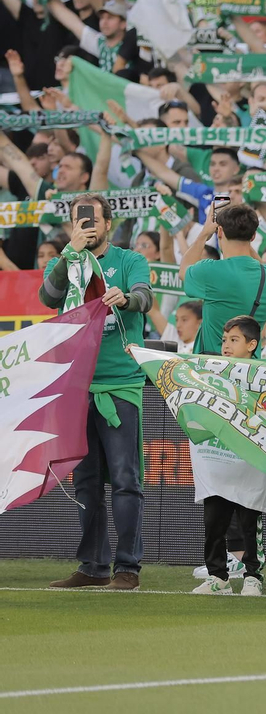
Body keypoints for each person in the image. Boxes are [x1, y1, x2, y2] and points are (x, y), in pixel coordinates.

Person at [42, 195, 154, 591]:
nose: (85, 226)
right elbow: (48, 298)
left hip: (120, 382)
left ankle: (127, 568)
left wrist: (125, 298)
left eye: (91, 220)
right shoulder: (68, 260)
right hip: (76, 384)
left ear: (109, 222)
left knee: (125, 478)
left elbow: (145, 296)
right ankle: (92, 566)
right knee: (85, 481)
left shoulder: (128, 260)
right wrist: (67, 253)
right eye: (77, 220)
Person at [189, 317, 266, 596]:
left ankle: (253, 576)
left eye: (234, 340)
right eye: (224, 340)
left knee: (249, 522)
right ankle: (218, 577)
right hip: (217, 460)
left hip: (249, 463)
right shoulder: (209, 371)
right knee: (214, 522)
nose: (226, 345)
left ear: (252, 345)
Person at [180, 202, 266, 355]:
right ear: (253, 236)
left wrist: (204, 234)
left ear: (219, 231)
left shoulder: (211, 270)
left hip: (212, 367)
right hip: (250, 368)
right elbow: (259, 266)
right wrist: (244, 232)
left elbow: (183, 272)